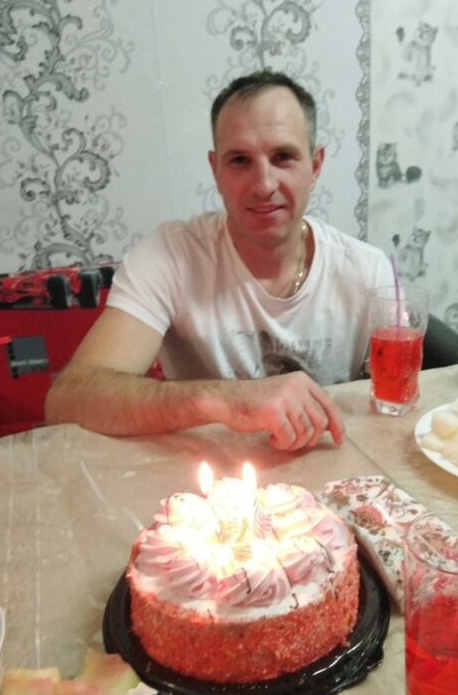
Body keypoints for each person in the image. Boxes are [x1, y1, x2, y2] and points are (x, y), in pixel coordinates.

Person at [45, 70, 392, 451]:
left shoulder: (367, 271)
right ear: (216, 170)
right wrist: (227, 400)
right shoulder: (170, 256)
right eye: (240, 160)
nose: (264, 185)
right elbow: (70, 399)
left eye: (283, 157)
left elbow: (393, 409)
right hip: (212, 476)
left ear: (316, 165)